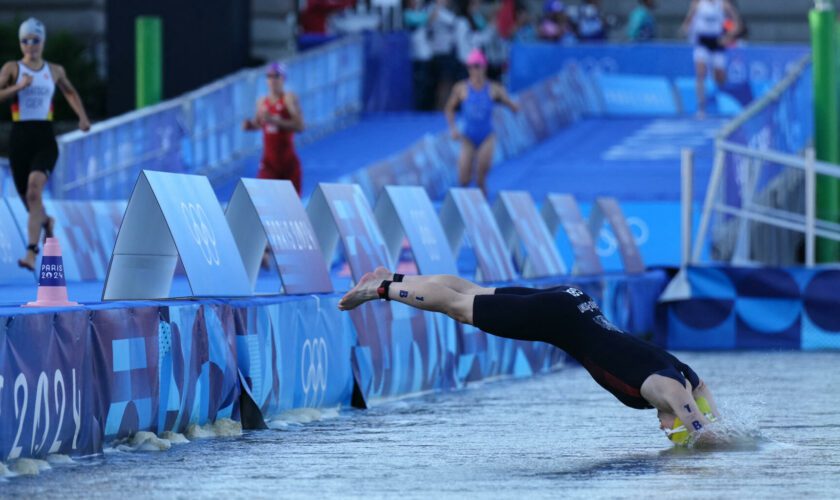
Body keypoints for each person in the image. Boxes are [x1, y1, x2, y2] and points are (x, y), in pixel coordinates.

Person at [339, 268, 722, 446]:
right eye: (670, 429)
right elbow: (703, 433)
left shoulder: (686, 375)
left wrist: (725, 426)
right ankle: (381, 289)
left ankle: (394, 277)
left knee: (475, 291)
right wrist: (704, 437)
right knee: (459, 306)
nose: (664, 429)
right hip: (557, 317)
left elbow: (706, 401)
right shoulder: (667, 388)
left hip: (572, 304)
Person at [0, 18, 91, 271]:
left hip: (44, 137)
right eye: (25, 40)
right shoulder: (12, 68)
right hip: (20, 137)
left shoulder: (54, 70)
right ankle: (46, 223)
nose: (30, 45)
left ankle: (31, 252)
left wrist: (82, 116)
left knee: (33, 191)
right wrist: (18, 86)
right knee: (27, 199)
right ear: (20, 43)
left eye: (35, 40)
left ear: (43, 42)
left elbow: (70, 92)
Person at [444, 49, 518, 195]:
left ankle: (483, 207)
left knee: (480, 177)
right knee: (463, 180)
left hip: (486, 136)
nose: (474, 70)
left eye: (477, 66)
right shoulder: (461, 88)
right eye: (471, 66)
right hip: (468, 137)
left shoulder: (494, 89)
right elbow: (449, 109)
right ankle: (465, 207)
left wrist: (513, 107)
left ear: (484, 67)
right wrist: (452, 129)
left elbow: (511, 104)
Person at [243, 62, 305, 194]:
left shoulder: (288, 99)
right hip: (269, 164)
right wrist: (250, 125)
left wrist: (275, 121)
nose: (272, 80)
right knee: (262, 201)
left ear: (283, 78)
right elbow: (260, 123)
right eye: (269, 76)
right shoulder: (261, 102)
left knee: (292, 210)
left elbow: (300, 126)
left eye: (276, 76)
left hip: (288, 164)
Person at [680, 0, 741, 118]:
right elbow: (689, 20)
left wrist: (729, 36)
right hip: (702, 43)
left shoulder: (724, 4)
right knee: (700, 74)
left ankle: (726, 102)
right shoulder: (698, 3)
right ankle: (701, 108)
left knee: (720, 77)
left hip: (717, 43)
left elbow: (737, 24)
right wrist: (686, 28)